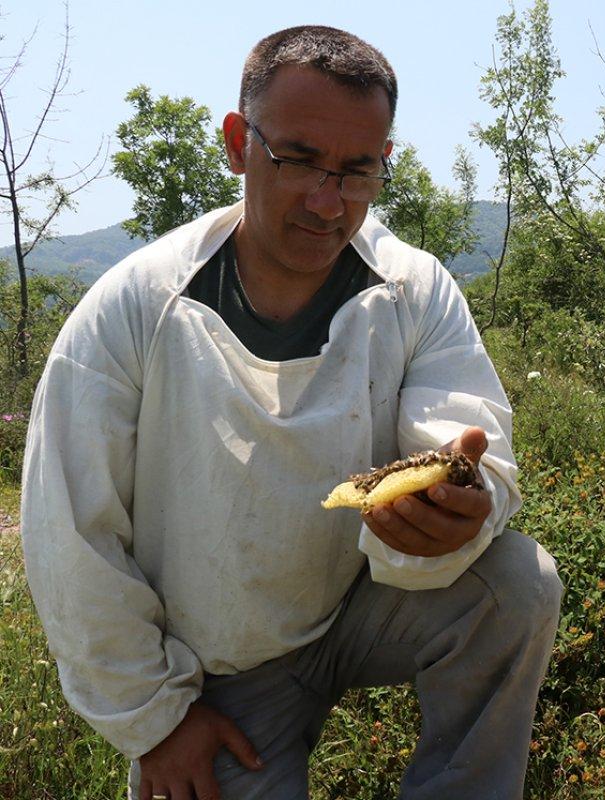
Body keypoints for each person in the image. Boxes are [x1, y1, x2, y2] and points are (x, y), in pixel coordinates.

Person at [21, 26, 562, 800]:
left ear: (384, 166)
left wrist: (458, 506)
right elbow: (70, 537)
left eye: (357, 171)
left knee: (517, 582)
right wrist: (156, 721)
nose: (327, 200)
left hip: (363, 604)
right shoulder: (135, 309)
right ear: (240, 143)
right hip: (217, 673)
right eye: (300, 159)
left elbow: (462, 433)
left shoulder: (413, 289)